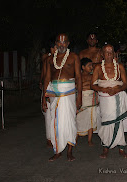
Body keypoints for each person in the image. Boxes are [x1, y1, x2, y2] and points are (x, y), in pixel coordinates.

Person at [42, 33, 82, 162]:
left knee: (69, 121)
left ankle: (69, 151)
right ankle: (57, 150)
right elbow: (47, 78)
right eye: (59, 42)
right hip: (54, 94)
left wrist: (79, 97)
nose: (61, 44)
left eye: (64, 42)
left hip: (69, 94)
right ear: (56, 43)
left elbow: (79, 77)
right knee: (55, 122)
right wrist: (44, 97)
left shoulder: (73, 57)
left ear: (68, 43)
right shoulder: (50, 59)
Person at [91, 44, 127, 159]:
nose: (109, 54)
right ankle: (105, 147)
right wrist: (103, 89)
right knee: (106, 122)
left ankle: (121, 147)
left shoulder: (120, 67)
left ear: (114, 54)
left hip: (118, 97)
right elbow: (92, 85)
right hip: (105, 100)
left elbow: (126, 83)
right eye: (106, 52)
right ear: (102, 54)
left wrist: (118, 88)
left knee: (118, 121)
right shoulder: (98, 68)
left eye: (111, 52)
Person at [76, 58, 100, 146]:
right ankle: (75, 138)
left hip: (91, 100)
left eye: (92, 65)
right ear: (83, 67)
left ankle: (89, 140)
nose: (91, 67)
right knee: (79, 119)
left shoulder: (92, 76)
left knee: (91, 119)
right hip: (82, 99)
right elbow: (76, 89)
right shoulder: (78, 77)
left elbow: (96, 86)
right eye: (89, 65)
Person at [40, 40, 56, 148]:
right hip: (48, 85)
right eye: (54, 47)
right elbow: (44, 73)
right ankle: (49, 138)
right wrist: (41, 82)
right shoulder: (47, 58)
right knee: (48, 113)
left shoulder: (63, 58)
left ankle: (57, 135)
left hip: (58, 87)